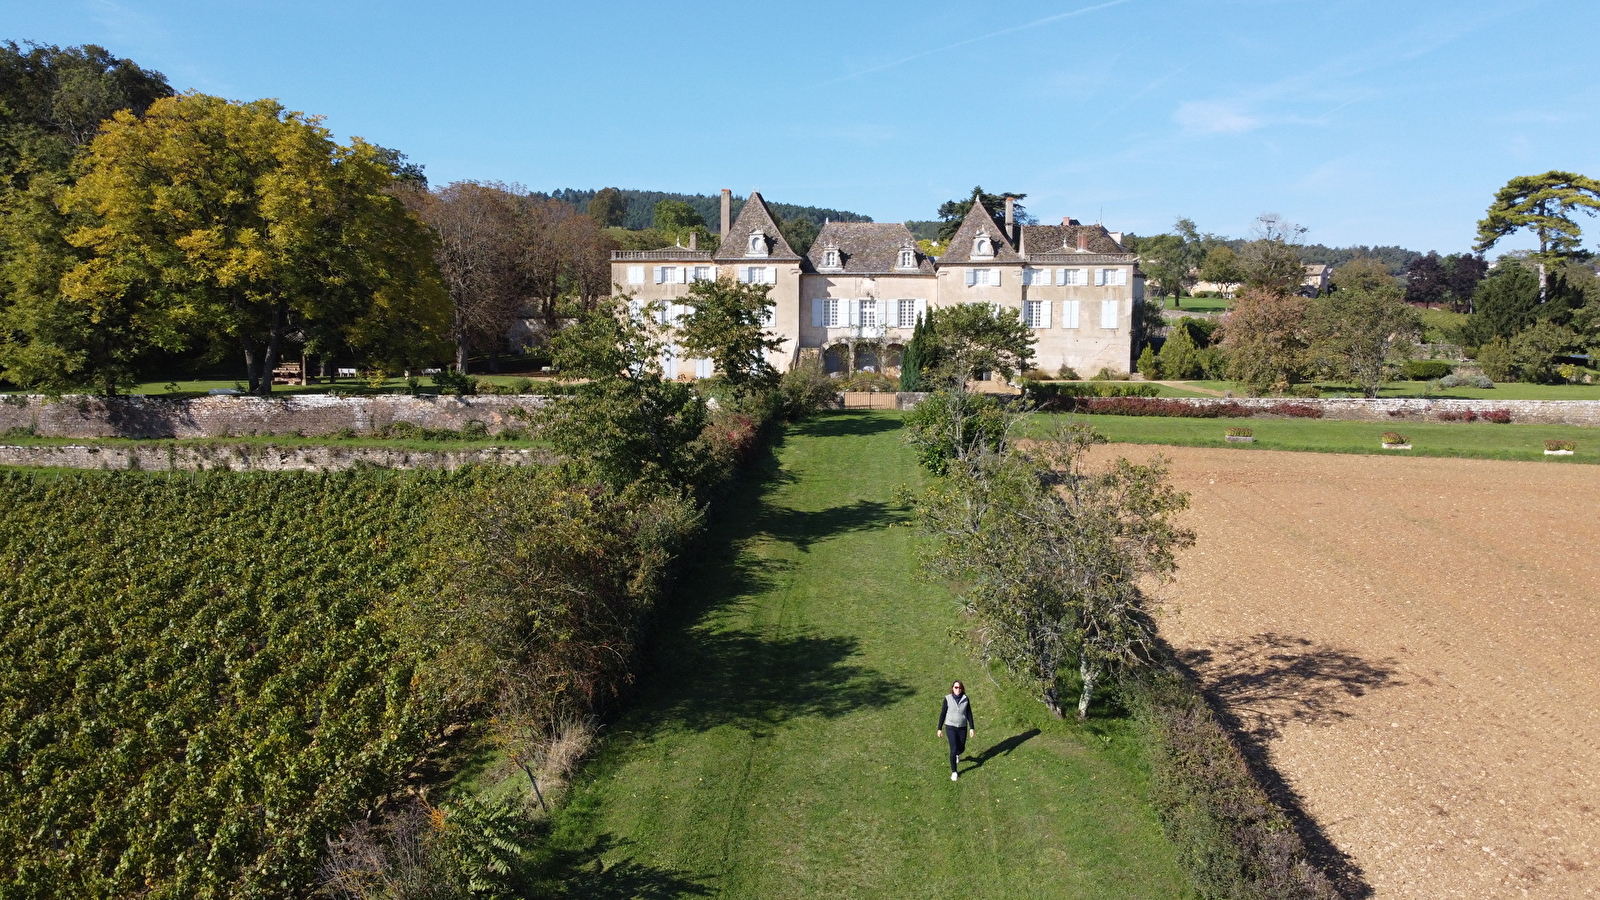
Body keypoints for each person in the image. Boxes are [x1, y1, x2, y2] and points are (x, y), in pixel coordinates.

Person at [936, 680, 975, 781]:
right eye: (956, 687)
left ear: (962, 689)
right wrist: (939, 728)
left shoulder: (965, 699)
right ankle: (954, 771)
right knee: (953, 750)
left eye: (960, 688)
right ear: (952, 688)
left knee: (961, 747)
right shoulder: (947, 699)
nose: (958, 689)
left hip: (962, 727)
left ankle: (958, 754)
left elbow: (969, 713)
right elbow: (943, 713)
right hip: (950, 727)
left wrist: (972, 727)